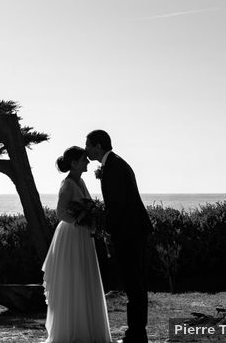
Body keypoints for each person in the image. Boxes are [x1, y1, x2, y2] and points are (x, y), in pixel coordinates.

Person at [85, 130, 153, 343]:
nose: (86, 149)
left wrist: (107, 230)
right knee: (136, 283)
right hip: (133, 231)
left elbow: (118, 206)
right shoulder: (114, 164)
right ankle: (137, 331)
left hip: (130, 233)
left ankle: (136, 334)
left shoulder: (113, 168)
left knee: (134, 284)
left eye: (88, 145)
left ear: (98, 146)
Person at [43, 146, 112, 343]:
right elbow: (60, 213)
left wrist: (93, 217)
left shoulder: (80, 181)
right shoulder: (67, 186)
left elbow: (87, 204)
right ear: (74, 163)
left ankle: (87, 327)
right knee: (73, 278)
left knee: (84, 276)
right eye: (84, 159)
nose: (88, 162)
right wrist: (81, 219)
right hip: (72, 235)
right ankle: (72, 328)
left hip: (82, 235)